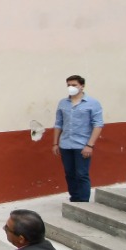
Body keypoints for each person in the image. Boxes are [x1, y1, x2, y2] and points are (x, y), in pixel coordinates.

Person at [53, 74, 104, 202]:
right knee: (70, 174)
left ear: (82, 86)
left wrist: (90, 145)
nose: (71, 87)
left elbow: (98, 125)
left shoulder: (93, 103)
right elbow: (58, 124)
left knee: (82, 174)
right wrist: (55, 143)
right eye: (69, 85)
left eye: (74, 85)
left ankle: (83, 202)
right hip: (65, 144)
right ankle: (74, 198)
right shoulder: (63, 103)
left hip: (82, 145)